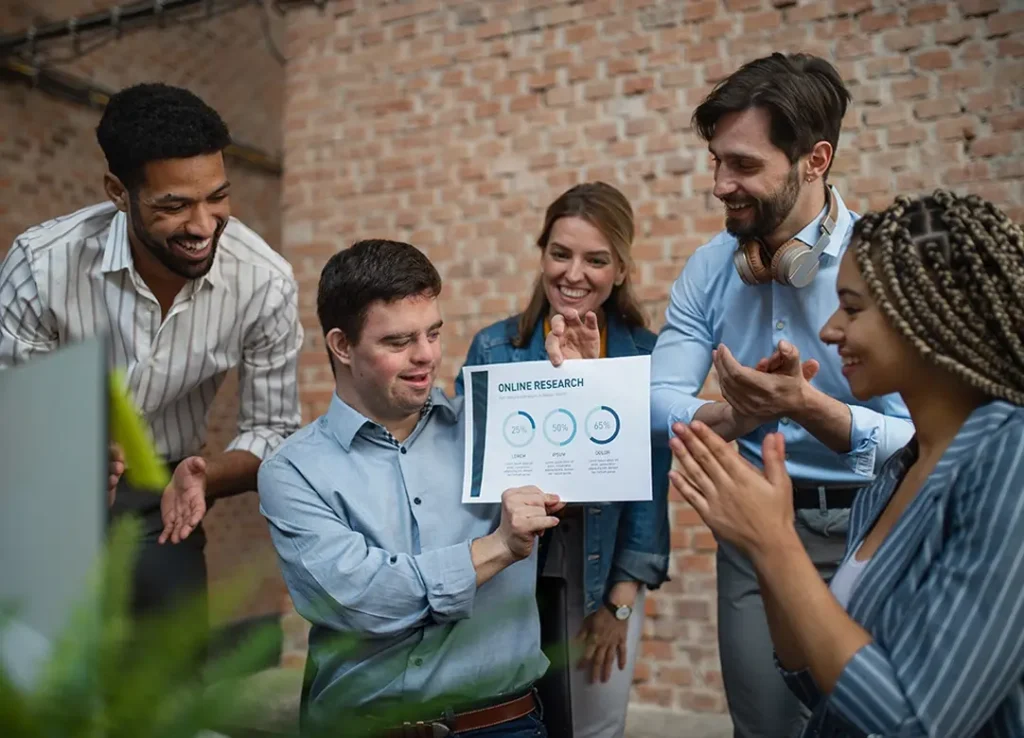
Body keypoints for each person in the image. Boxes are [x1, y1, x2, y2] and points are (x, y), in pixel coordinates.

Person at [669, 190, 1024, 737]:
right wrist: (769, 539)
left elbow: (914, 723)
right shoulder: (892, 473)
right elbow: (819, 685)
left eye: (852, 309)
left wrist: (775, 544)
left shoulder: (1011, 461)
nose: (831, 330)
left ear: (926, 313)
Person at [649, 53, 914, 738]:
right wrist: (736, 413)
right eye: (715, 162)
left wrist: (809, 407)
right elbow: (653, 402)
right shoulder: (709, 267)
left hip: (877, 528)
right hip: (755, 534)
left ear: (814, 159)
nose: (718, 185)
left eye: (742, 165)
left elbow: (918, 441)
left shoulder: (882, 264)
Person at [258, 239, 597, 738]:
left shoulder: (495, 426)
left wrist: (581, 391)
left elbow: (598, 482)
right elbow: (364, 599)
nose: (426, 356)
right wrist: (497, 548)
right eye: (398, 342)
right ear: (342, 345)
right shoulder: (292, 472)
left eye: (433, 333)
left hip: (505, 725)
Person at [0, 83, 303, 625]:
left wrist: (205, 475)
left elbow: (274, 430)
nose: (203, 226)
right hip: (41, 496)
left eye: (217, 197)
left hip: (167, 501)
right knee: (42, 691)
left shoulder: (264, 280)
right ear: (118, 191)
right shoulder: (42, 266)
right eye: (174, 206)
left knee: (171, 691)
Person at [455, 182, 671, 738]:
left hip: (602, 570)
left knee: (596, 724)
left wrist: (619, 605)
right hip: (510, 565)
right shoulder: (494, 350)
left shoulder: (645, 356)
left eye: (595, 259)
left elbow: (650, 487)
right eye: (560, 253)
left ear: (620, 269)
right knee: (516, 721)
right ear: (542, 254)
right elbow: (468, 481)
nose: (574, 274)